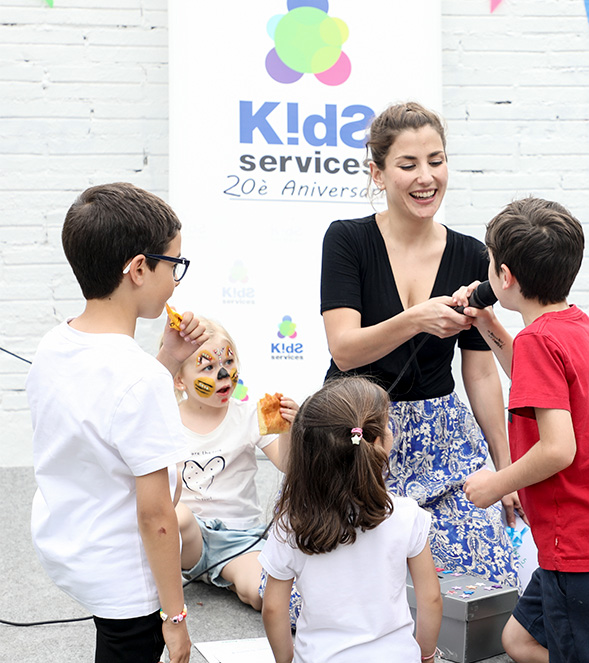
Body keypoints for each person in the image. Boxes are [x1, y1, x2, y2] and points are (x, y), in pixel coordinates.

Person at [320, 101, 517, 586]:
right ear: (378, 173)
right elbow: (344, 349)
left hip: (442, 442)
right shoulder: (347, 240)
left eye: (436, 160)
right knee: (344, 589)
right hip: (360, 435)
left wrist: (505, 470)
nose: (426, 177)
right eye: (408, 164)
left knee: (484, 579)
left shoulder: (471, 252)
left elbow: (480, 372)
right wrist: (416, 319)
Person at [27, 182, 208, 663]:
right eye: (174, 265)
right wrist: (175, 618)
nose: (176, 280)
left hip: (72, 541)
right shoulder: (140, 377)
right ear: (139, 268)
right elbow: (156, 518)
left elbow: (108, 413)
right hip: (124, 574)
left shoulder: (54, 345)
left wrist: (168, 360)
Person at [459, 196, 589, 663]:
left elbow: (558, 449)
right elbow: (533, 381)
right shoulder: (578, 327)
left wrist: (497, 483)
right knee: (518, 640)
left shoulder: (540, 341)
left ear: (504, 276)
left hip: (575, 544)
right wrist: (488, 324)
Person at [260, 376, 442, 663]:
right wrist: (426, 655)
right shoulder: (407, 515)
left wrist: (286, 660)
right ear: (376, 441)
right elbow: (430, 598)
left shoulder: (291, 522)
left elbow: (273, 608)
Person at [172, 318, 298, 611]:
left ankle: (223, 574)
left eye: (228, 362)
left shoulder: (251, 415)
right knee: (178, 515)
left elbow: (288, 465)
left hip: (239, 539)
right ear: (179, 380)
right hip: (189, 539)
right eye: (207, 367)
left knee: (262, 594)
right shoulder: (165, 421)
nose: (223, 374)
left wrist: (289, 430)